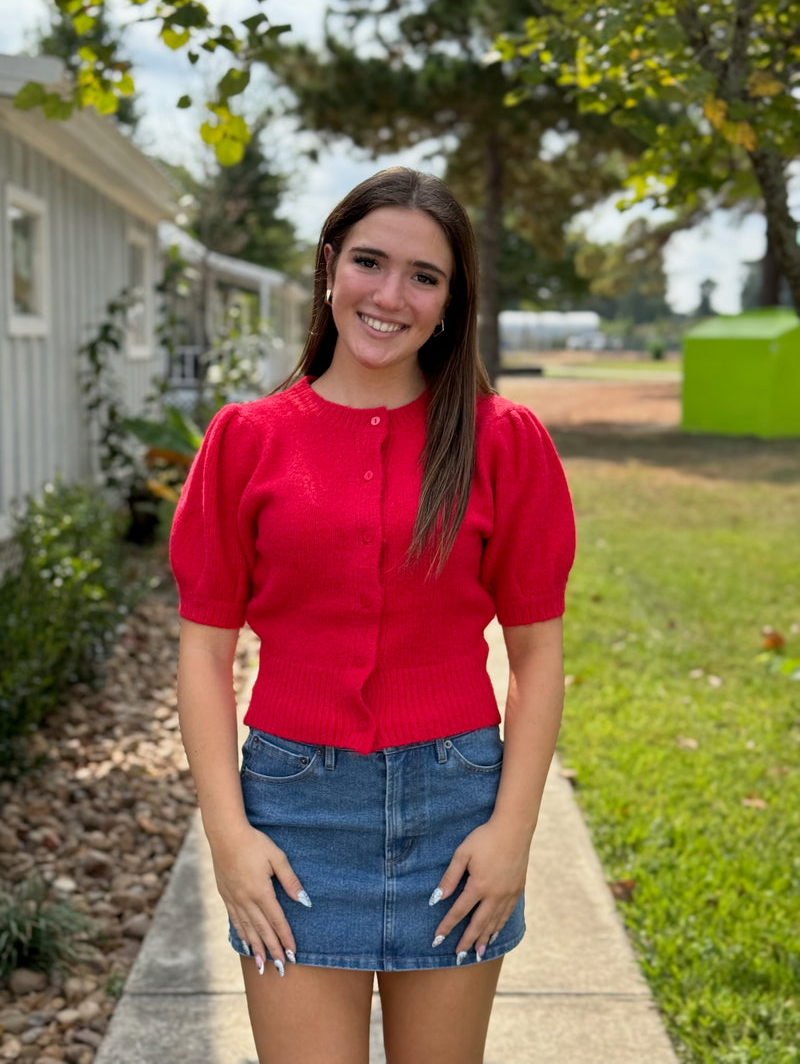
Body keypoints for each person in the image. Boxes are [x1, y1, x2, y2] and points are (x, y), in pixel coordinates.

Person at [170, 166, 575, 1064]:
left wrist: (513, 832)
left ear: (448, 302)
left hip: (458, 813)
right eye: (369, 261)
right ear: (329, 267)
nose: (390, 294)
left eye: (423, 276)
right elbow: (203, 654)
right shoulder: (246, 440)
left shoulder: (503, 441)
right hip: (294, 817)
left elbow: (539, 657)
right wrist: (229, 836)